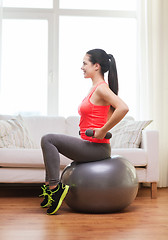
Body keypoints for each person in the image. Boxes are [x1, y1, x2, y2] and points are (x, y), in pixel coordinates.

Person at [40, 48, 129, 215]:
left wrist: (102, 131)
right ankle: (50, 189)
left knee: (48, 139)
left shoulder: (101, 88)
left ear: (96, 66)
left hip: (97, 148)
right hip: (89, 145)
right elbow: (107, 114)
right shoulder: (95, 88)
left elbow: (123, 108)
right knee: (48, 144)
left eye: (84, 63)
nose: (82, 67)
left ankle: (54, 188)